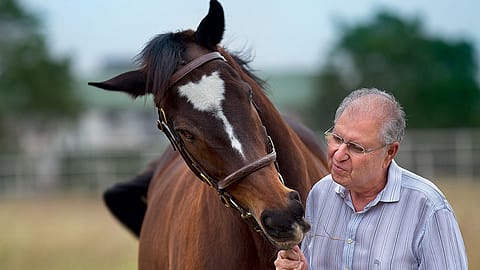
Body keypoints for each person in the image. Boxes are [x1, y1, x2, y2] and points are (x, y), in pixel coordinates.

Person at [275, 88, 468, 270]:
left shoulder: (428, 206)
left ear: (389, 152)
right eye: (337, 139)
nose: (338, 154)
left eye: (356, 147)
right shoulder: (319, 193)